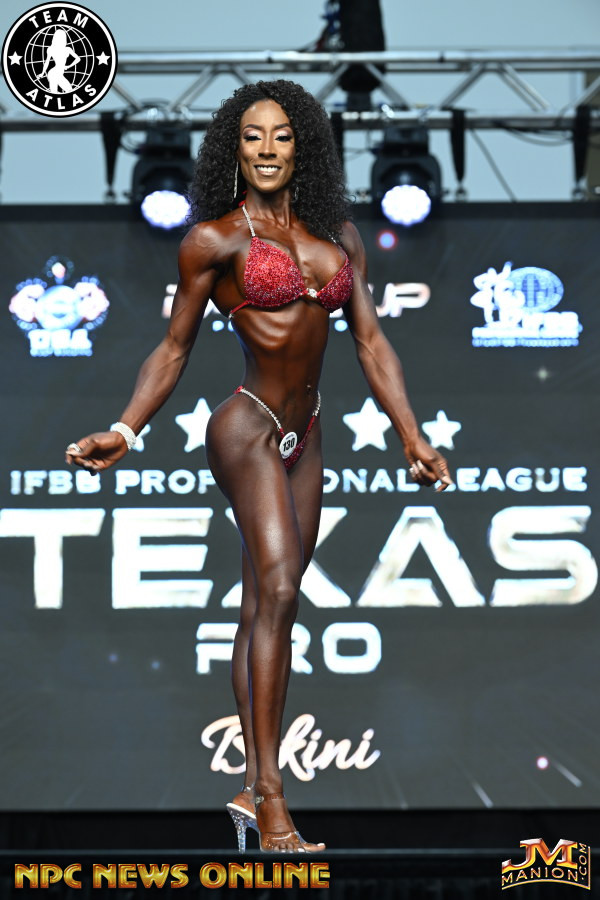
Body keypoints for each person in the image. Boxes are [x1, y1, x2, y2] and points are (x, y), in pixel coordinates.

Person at [65, 79, 453, 853]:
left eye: (281, 135)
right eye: (252, 136)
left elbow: (371, 342)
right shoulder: (212, 241)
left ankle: (250, 788)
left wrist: (411, 434)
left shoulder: (338, 236)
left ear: (301, 147)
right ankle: (272, 795)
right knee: (277, 589)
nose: (268, 149)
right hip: (247, 426)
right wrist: (126, 429)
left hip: (307, 433)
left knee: (266, 609)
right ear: (232, 150)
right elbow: (174, 347)